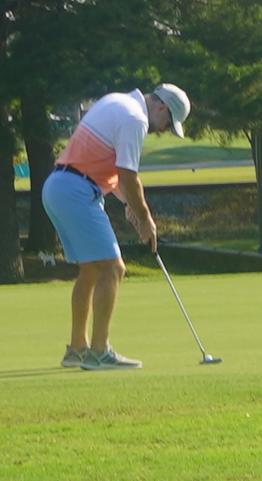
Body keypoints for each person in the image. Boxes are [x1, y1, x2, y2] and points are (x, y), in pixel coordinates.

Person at [47, 83, 191, 371]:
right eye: (167, 123)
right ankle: (99, 352)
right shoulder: (135, 118)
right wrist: (145, 219)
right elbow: (128, 175)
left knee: (91, 269)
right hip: (77, 191)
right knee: (114, 268)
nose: (163, 130)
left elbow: (104, 164)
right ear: (161, 107)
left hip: (58, 186)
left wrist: (130, 205)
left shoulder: (116, 101)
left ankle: (77, 349)